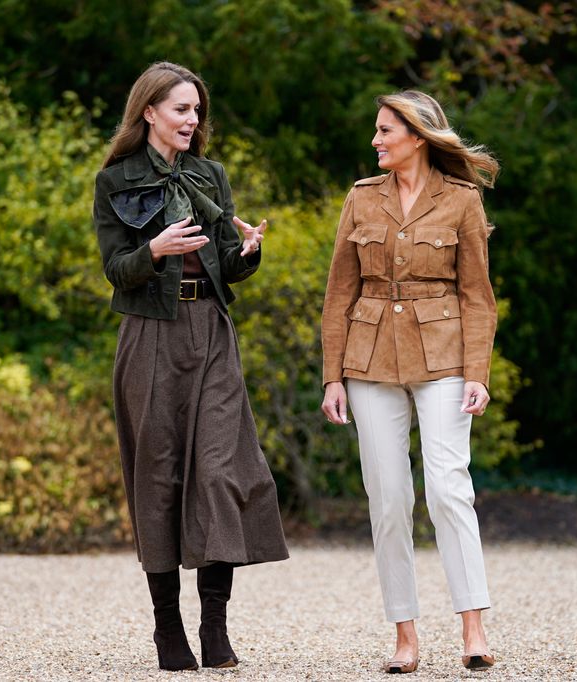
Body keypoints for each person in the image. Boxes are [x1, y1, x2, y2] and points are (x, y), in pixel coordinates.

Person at [93, 61, 289, 672]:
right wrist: (153, 250)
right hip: (151, 336)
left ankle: (215, 627)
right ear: (148, 111)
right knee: (158, 477)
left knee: (220, 472)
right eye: (181, 109)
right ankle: (166, 629)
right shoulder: (114, 180)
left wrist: (248, 252)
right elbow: (115, 269)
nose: (192, 120)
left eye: (197, 110)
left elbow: (226, 264)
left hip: (212, 335)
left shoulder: (212, 176)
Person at [321, 90, 500, 674]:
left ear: (418, 137)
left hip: (445, 357)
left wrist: (478, 373)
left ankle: (473, 629)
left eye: (385, 131)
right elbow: (338, 296)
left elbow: (477, 296)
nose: (375, 140)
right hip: (369, 361)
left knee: (449, 488)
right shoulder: (361, 199)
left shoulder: (462, 201)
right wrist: (333, 378)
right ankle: (405, 636)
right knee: (389, 499)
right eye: (376, 131)